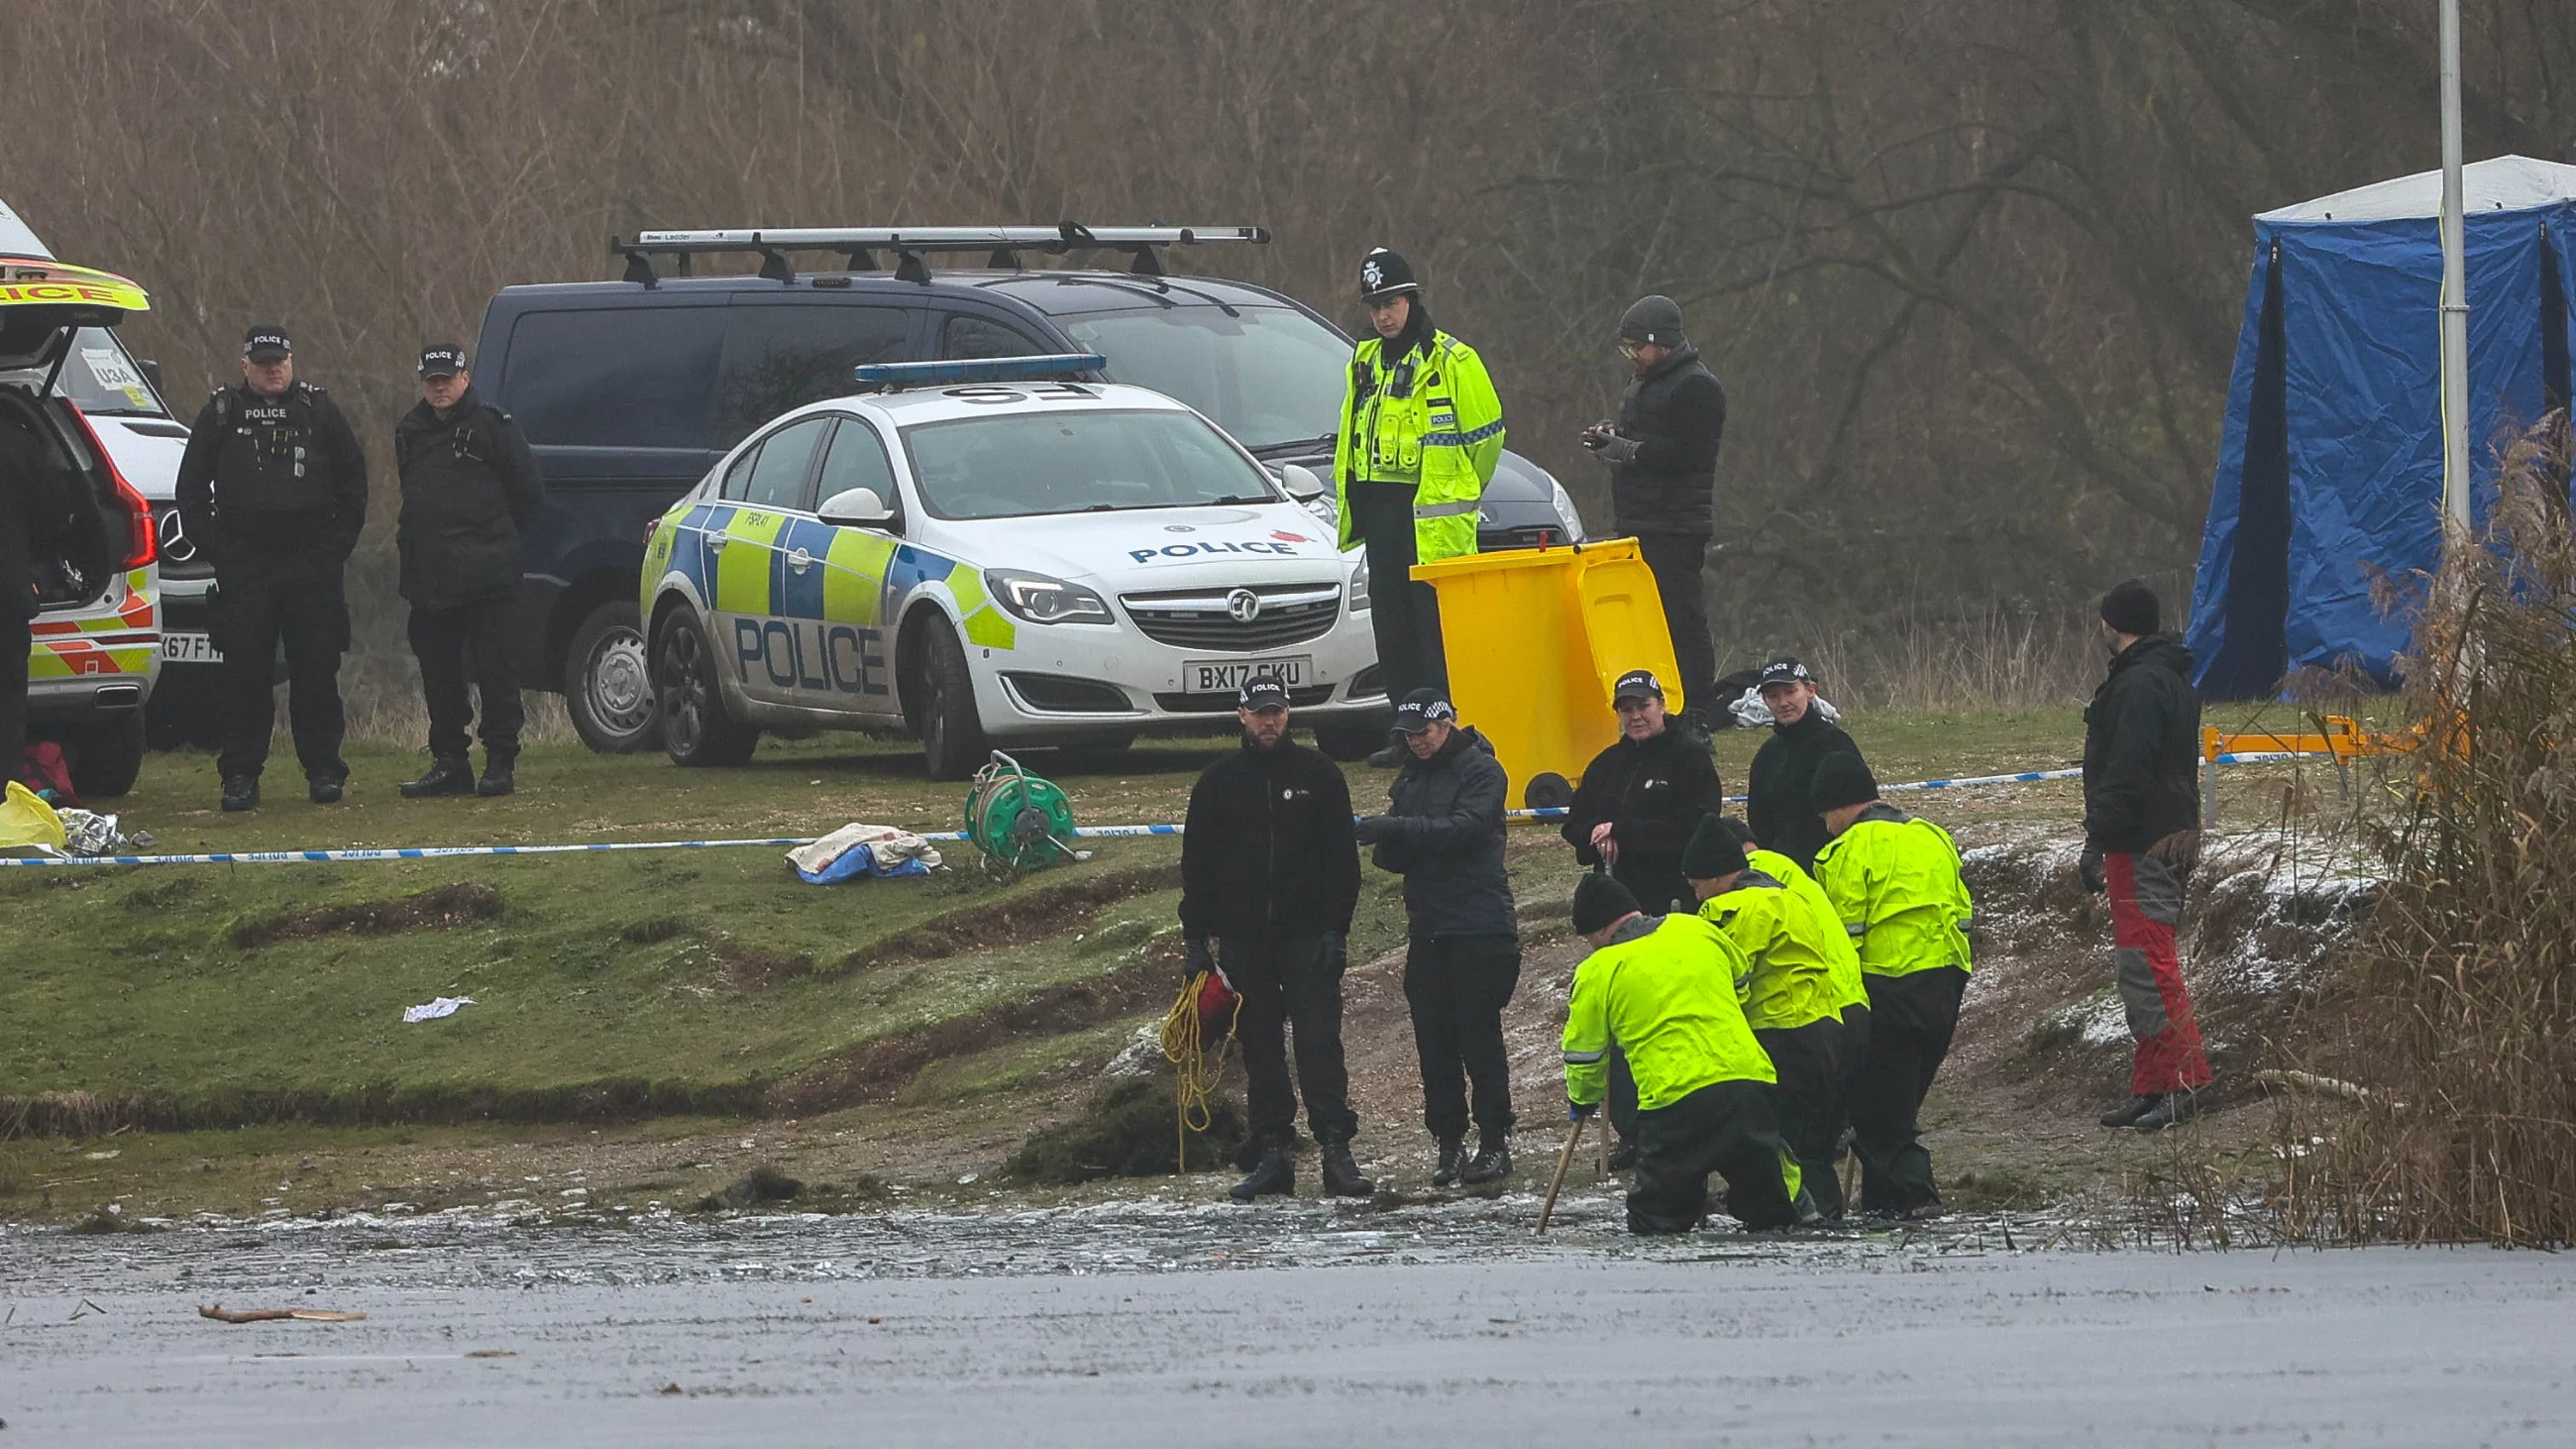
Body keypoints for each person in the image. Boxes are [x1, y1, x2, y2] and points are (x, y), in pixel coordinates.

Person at [1178, 674, 1370, 1200]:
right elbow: (1196, 866)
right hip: (1244, 940)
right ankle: (1273, 1153)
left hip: (1308, 935)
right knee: (1259, 1046)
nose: (1270, 721)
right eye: (1260, 712)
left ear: (1288, 715)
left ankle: (1336, 1149)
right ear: (1241, 716)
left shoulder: (1321, 775)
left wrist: (1337, 929)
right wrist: (1195, 939)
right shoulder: (1217, 781)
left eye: (1278, 712)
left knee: (1318, 1042)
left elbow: (1342, 862)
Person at [175, 325, 368, 812]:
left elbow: (353, 487)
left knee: (317, 671)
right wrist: (222, 551)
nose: (273, 369)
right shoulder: (220, 413)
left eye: (279, 360)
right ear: (245, 367)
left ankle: (324, 770)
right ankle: (240, 775)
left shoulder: (319, 410)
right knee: (244, 675)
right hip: (247, 565)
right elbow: (191, 494)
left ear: (292, 360)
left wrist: (333, 550)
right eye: (262, 363)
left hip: (312, 564)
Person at [1561, 873, 1814, 1235]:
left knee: (1656, 1222)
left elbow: (1585, 1055)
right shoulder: (1695, 929)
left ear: (1599, 931)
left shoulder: (1598, 970)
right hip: (1746, 1083)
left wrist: (1582, 1100)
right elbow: (1740, 983)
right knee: (1777, 1210)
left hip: (1674, 1103)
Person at [1332, 246, 1506, 767]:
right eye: (1374, 305)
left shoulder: (1453, 360)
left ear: (1411, 299)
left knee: (1434, 633)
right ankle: (1406, 733)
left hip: (1429, 518)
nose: (1383, 315)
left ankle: (1447, 733)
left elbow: (1487, 439)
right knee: (1393, 629)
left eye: (1391, 302)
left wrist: (1453, 491)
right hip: (1379, 511)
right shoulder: (1363, 359)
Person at [1558, 667, 1724, 1170]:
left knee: (1671, 1017)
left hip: (1674, 904)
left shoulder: (1690, 757)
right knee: (1624, 1024)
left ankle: (1687, 1119)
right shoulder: (1605, 765)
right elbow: (1574, 824)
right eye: (1625, 709)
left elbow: (1701, 826)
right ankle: (1632, 1128)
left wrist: (1627, 830)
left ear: (1661, 704)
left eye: (1643, 706)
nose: (1635, 716)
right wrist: (1595, 835)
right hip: (1618, 912)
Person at [1356, 689, 1519, 1187]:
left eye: (1422, 733)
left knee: (1479, 1036)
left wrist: (1398, 828)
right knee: (1434, 1041)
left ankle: (1494, 1139)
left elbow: (1466, 830)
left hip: (1478, 923)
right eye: (1407, 735)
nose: (1415, 742)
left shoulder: (1483, 771)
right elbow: (1402, 852)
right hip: (1427, 925)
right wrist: (1387, 837)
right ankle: (1448, 1143)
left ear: (1446, 724)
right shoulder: (1410, 774)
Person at [1812, 751, 1975, 1219]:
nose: (1826, 827)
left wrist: (1842, 1012)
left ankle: (1914, 1201)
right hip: (1945, 985)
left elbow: (1844, 942)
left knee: (1880, 1118)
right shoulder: (1931, 836)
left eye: (1825, 815)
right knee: (1897, 1107)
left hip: (1885, 989)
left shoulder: (1844, 852)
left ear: (1842, 805)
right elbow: (1962, 913)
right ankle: (1881, 1204)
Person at [2080, 579, 2213, 1133]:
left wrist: (2097, 837)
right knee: (2140, 969)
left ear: (2114, 624)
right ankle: (2152, 1083)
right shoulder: (2171, 677)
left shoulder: (2138, 685)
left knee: (2150, 967)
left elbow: (2126, 772)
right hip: (2162, 834)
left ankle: (2187, 1081)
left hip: (2141, 841)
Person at [1681, 816, 1860, 1221]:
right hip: (1829, 1029)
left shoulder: (1730, 909)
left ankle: (1793, 1221)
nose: (1695, 897)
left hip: (1782, 1034)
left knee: (1781, 1144)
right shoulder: (1787, 897)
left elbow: (1725, 977)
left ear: (1712, 877)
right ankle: (1828, 1220)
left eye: (1695, 886)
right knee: (1813, 1146)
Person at [392, 345, 543, 799]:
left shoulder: (494, 427)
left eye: (447, 378)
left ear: (465, 377)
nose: (439, 387)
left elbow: (529, 495)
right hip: (431, 576)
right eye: (431, 379)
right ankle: (449, 762)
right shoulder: (410, 431)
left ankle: (499, 762)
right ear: (422, 381)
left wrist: (495, 545)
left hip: (488, 576)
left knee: (496, 672)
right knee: (439, 674)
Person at [1581, 295, 1724, 725]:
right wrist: (1611, 438)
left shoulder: (1697, 387)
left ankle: (1698, 707)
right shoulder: (1641, 383)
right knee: (1646, 623)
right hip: (1638, 520)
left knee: (1682, 619)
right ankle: (1659, 705)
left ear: (1660, 343)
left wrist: (1625, 449)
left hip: (1676, 524)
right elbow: (1638, 438)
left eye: (1636, 348)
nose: (1633, 357)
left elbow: (1686, 455)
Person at [1745, 655, 1866, 871]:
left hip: (1836, 868)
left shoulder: (1835, 744)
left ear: (1810, 691)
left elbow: (1861, 815)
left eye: (1791, 692)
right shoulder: (1767, 755)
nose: (1783, 703)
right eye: (1773, 696)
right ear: (1764, 701)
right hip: (1786, 875)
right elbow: (1759, 823)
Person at [1, 416, 65, 787]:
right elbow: (54, 516)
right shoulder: (20, 444)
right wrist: (34, 563)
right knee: (7, 693)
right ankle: (5, 789)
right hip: (7, 590)